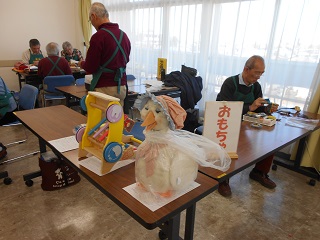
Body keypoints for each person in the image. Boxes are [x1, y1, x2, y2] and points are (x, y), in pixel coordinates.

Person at [216, 55, 278, 197]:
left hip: (247, 123)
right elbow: (225, 109)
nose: (258, 77)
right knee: (231, 142)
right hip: (226, 123)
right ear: (246, 69)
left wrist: (267, 109)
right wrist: (250, 106)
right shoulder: (230, 83)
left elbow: (259, 108)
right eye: (257, 73)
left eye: (261, 73)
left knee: (269, 138)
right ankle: (223, 179)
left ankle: (259, 171)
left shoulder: (256, 86)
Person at [79, 2, 131, 106]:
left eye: (90, 20)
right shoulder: (123, 35)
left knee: (104, 120)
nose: (92, 24)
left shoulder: (98, 37)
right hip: (121, 86)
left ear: (93, 16)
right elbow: (125, 59)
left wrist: (82, 64)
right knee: (117, 118)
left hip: (105, 87)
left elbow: (91, 67)